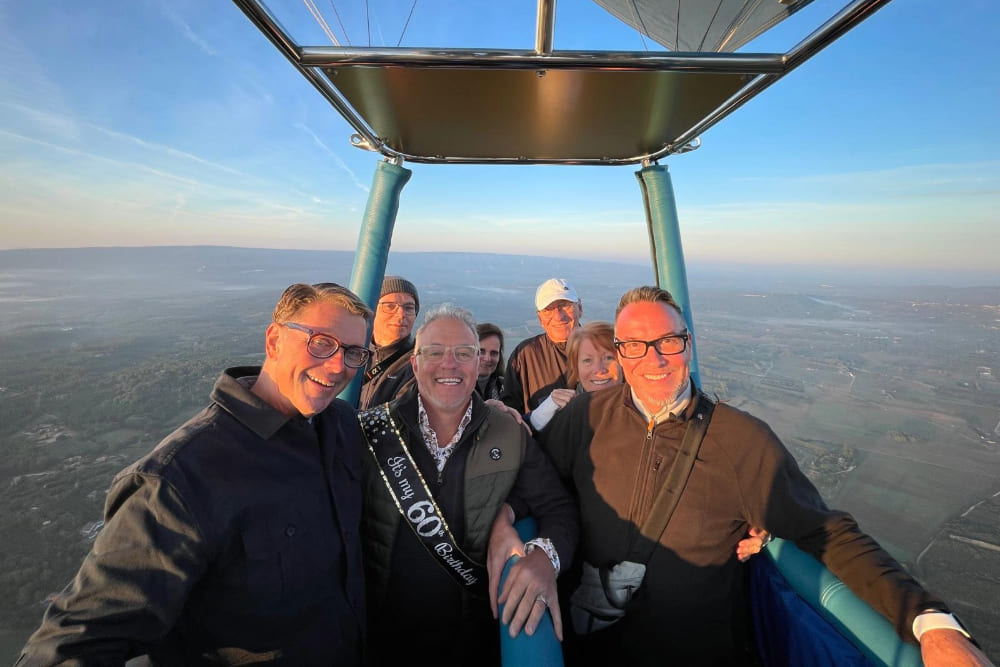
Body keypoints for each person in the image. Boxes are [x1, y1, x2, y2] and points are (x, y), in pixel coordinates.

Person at [531, 286, 991, 666]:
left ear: (687, 344)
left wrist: (929, 621)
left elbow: (827, 533)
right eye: (634, 346)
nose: (654, 360)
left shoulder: (741, 441)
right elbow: (540, 484)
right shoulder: (589, 417)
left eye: (667, 342)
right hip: (592, 647)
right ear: (622, 353)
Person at [17, 282, 373, 666]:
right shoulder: (180, 479)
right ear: (274, 341)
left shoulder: (339, 424)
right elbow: (70, 646)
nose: (339, 366)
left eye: (354, 352)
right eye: (321, 342)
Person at [359, 305, 578, 666]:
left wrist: (543, 556)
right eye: (434, 353)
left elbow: (558, 508)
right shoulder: (370, 433)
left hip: (472, 641)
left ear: (479, 365)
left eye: (463, 353)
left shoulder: (509, 433)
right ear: (415, 364)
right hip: (382, 638)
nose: (450, 364)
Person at [502, 278, 582, 417]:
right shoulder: (524, 355)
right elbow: (510, 414)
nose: (558, 316)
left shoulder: (602, 350)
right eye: (548, 310)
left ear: (579, 308)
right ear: (540, 319)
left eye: (565, 305)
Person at [360, 275, 420, 409]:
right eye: (390, 306)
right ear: (372, 310)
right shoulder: (352, 354)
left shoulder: (418, 364)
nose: (401, 314)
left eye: (409, 308)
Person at [476, 322, 506, 400]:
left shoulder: (505, 389)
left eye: (494, 353)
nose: (487, 358)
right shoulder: (456, 389)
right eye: (481, 351)